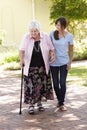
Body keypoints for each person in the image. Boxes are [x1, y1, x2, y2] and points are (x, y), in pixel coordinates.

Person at [19, 20, 55, 114]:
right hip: (30, 67)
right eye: (31, 31)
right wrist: (21, 60)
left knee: (40, 86)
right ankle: (31, 105)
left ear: (39, 30)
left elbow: (51, 48)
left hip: (42, 67)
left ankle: (39, 104)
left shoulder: (45, 36)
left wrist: (52, 55)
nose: (33, 33)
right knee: (31, 87)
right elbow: (21, 50)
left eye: (35, 31)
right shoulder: (26, 37)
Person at [49, 16, 74, 111]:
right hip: (53, 62)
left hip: (64, 62)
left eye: (59, 25)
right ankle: (60, 100)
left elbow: (71, 50)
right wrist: (51, 53)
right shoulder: (52, 34)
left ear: (64, 26)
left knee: (62, 83)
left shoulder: (69, 36)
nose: (57, 26)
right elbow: (49, 47)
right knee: (55, 84)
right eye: (56, 24)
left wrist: (70, 62)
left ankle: (61, 103)